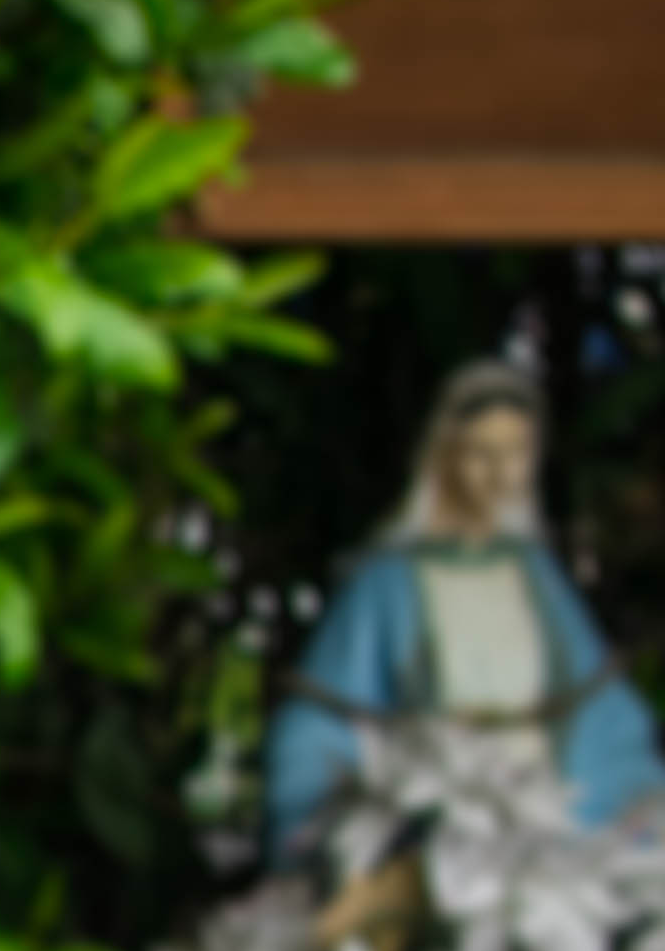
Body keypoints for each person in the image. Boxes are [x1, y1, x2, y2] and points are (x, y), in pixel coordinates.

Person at [263, 356, 663, 850]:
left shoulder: (535, 574)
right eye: (481, 453)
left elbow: (600, 710)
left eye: (516, 452)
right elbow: (323, 714)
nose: (500, 475)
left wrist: (634, 790)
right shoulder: (388, 580)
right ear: (445, 454)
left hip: (548, 806)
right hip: (435, 806)